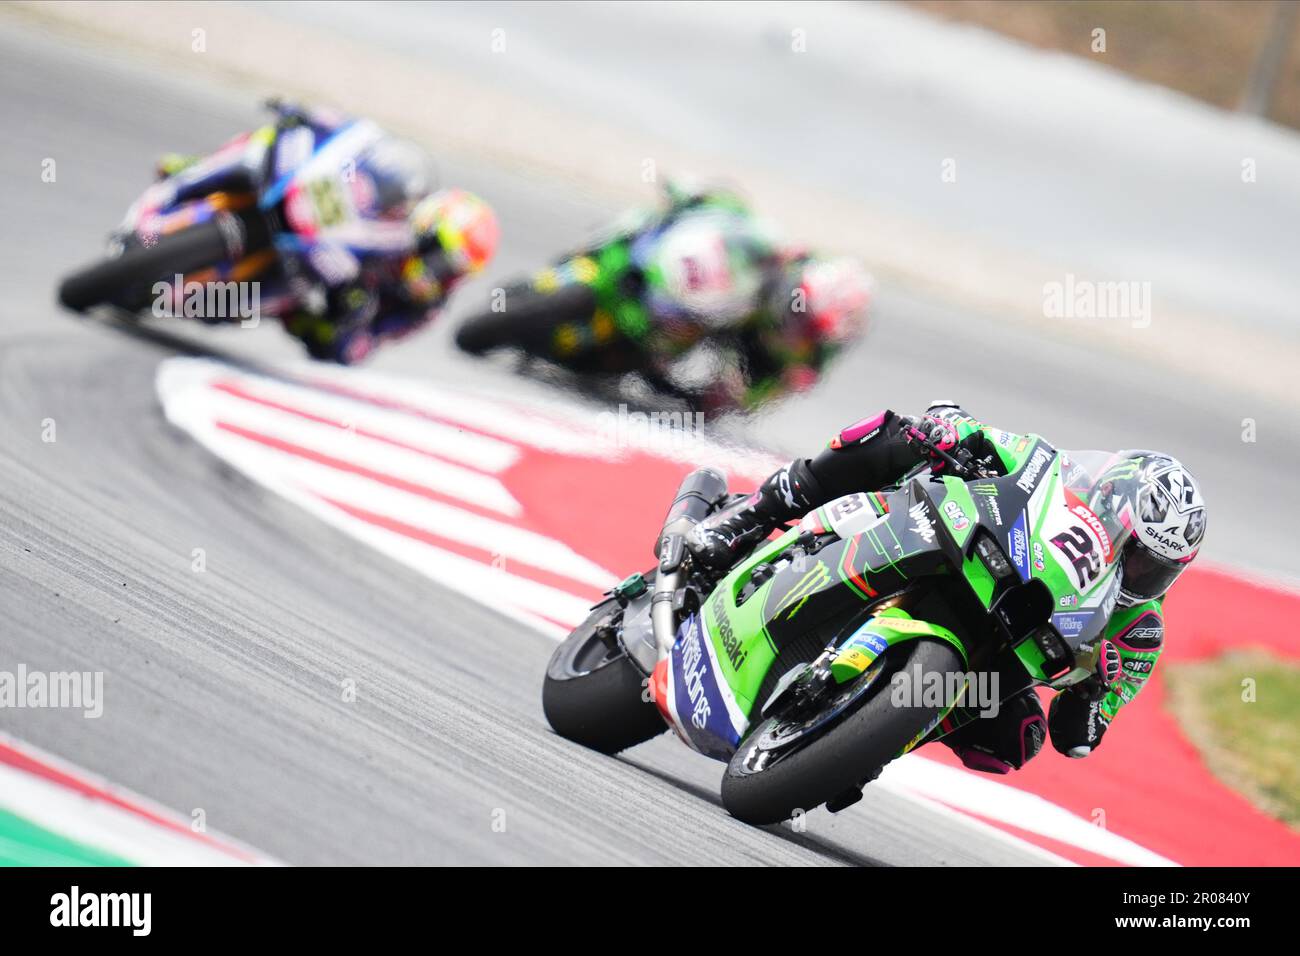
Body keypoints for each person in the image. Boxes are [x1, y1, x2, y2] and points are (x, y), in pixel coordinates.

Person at [689, 402, 1207, 773]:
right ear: (1108, 499)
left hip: (1007, 644)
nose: (1137, 573)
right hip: (968, 547)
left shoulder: (1139, 633)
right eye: (1135, 553)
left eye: (1155, 569)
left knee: (1017, 740)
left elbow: (1078, 740)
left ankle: (865, 735)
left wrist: (1093, 693)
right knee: (894, 433)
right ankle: (753, 516)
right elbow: (976, 430)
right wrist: (949, 430)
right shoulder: (1053, 470)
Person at [143, 100, 498, 363]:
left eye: (450, 270)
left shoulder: (424, 305)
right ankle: (196, 172)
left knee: (244, 308)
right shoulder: (402, 197)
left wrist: (344, 321)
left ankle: (191, 298)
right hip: (317, 220)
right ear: (428, 224)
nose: (438, 270)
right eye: (439, 254)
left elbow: (359, 350)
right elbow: (356, 143)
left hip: (303, 286)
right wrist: (312, 118)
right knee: (265, 143)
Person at [573, 180, 872, 412]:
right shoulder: (779, 257)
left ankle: (642, 353)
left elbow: (757, 395)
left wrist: (722, 397)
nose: (794, 325)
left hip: (713, 336)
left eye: (807, 328)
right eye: (799, 312)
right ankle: (636, 236)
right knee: (711, 199)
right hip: (705, 286)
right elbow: (735, 216)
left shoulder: (805, 360)